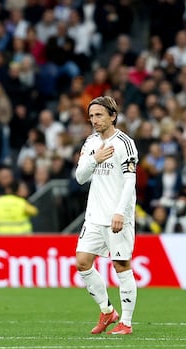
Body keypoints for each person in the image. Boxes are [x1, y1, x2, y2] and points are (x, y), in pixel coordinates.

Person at [75, 96, 138, 335]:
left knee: (121, 265)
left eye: (99, 115)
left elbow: (130, 179)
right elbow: (80, 177)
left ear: (113, 115)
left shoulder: (125, 143)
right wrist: (94, 159)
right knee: (82, 262)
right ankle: (107, 311)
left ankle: (127, 323)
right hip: (94, 216)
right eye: (91, 116)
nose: (94, 120)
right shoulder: (90, 142)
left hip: (117, 216)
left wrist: (120, 212)